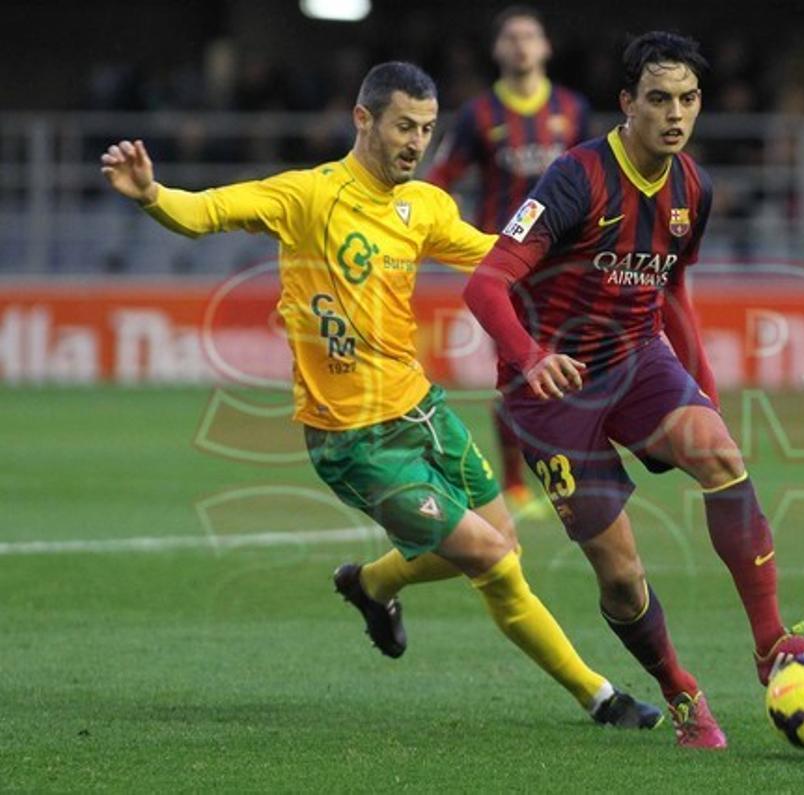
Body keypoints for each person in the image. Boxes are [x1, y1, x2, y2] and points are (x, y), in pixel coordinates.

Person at [100, 60, 659, 731]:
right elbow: (209, 211)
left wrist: (583, 252)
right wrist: (152, 194)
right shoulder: (307, 197)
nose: (415, 142)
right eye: (403, 125)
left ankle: (371, 583)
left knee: (502, 540)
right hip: (353, 439)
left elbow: (492, 255)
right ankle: (601, 697)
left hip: (425, 412)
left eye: (425, 129)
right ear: (363, 119)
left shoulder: (422, 206)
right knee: (494, 561)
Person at [464, 32, 804, 749]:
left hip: (636, 358)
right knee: (622, 577)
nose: (674, 114)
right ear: (626, 104)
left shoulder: (694, 188)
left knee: (721, 456)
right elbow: (486, 284)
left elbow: (671, 283)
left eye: (687, 99)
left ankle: (772, 643)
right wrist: (530, 356)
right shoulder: (574, 178)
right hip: (552, 393)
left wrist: (701, 387)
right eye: (658, 99)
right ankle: (680, 689)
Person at [427, 5, 589, 518]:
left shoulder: (572, 108)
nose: (521, 45)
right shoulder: (478, 115)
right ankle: (518, 487)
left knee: (572, 367)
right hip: (507, 263)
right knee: (520, 367)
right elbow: (441, 179)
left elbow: (594, 178)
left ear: (546, 47)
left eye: (530, 36)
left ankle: (573, 472)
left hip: (565, 260)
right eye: (512, 37)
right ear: (498, 50)